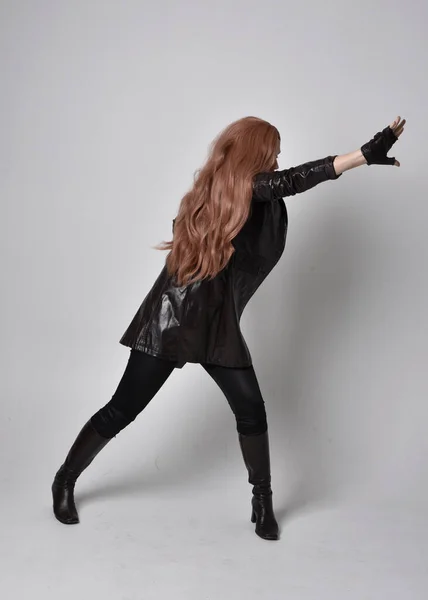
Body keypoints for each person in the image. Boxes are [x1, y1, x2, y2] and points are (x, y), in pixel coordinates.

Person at [52, 115, 406, 541]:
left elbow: (283, 184)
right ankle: (65, 478)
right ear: (254, 153)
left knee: (251, 411)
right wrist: (361, 157)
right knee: (122, 409)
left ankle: (262, 502)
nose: (277, 158)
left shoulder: (249, 196)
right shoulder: (243, 188)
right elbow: (292, 180)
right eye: (272, 150)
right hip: (172, 318)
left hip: (218, 325)